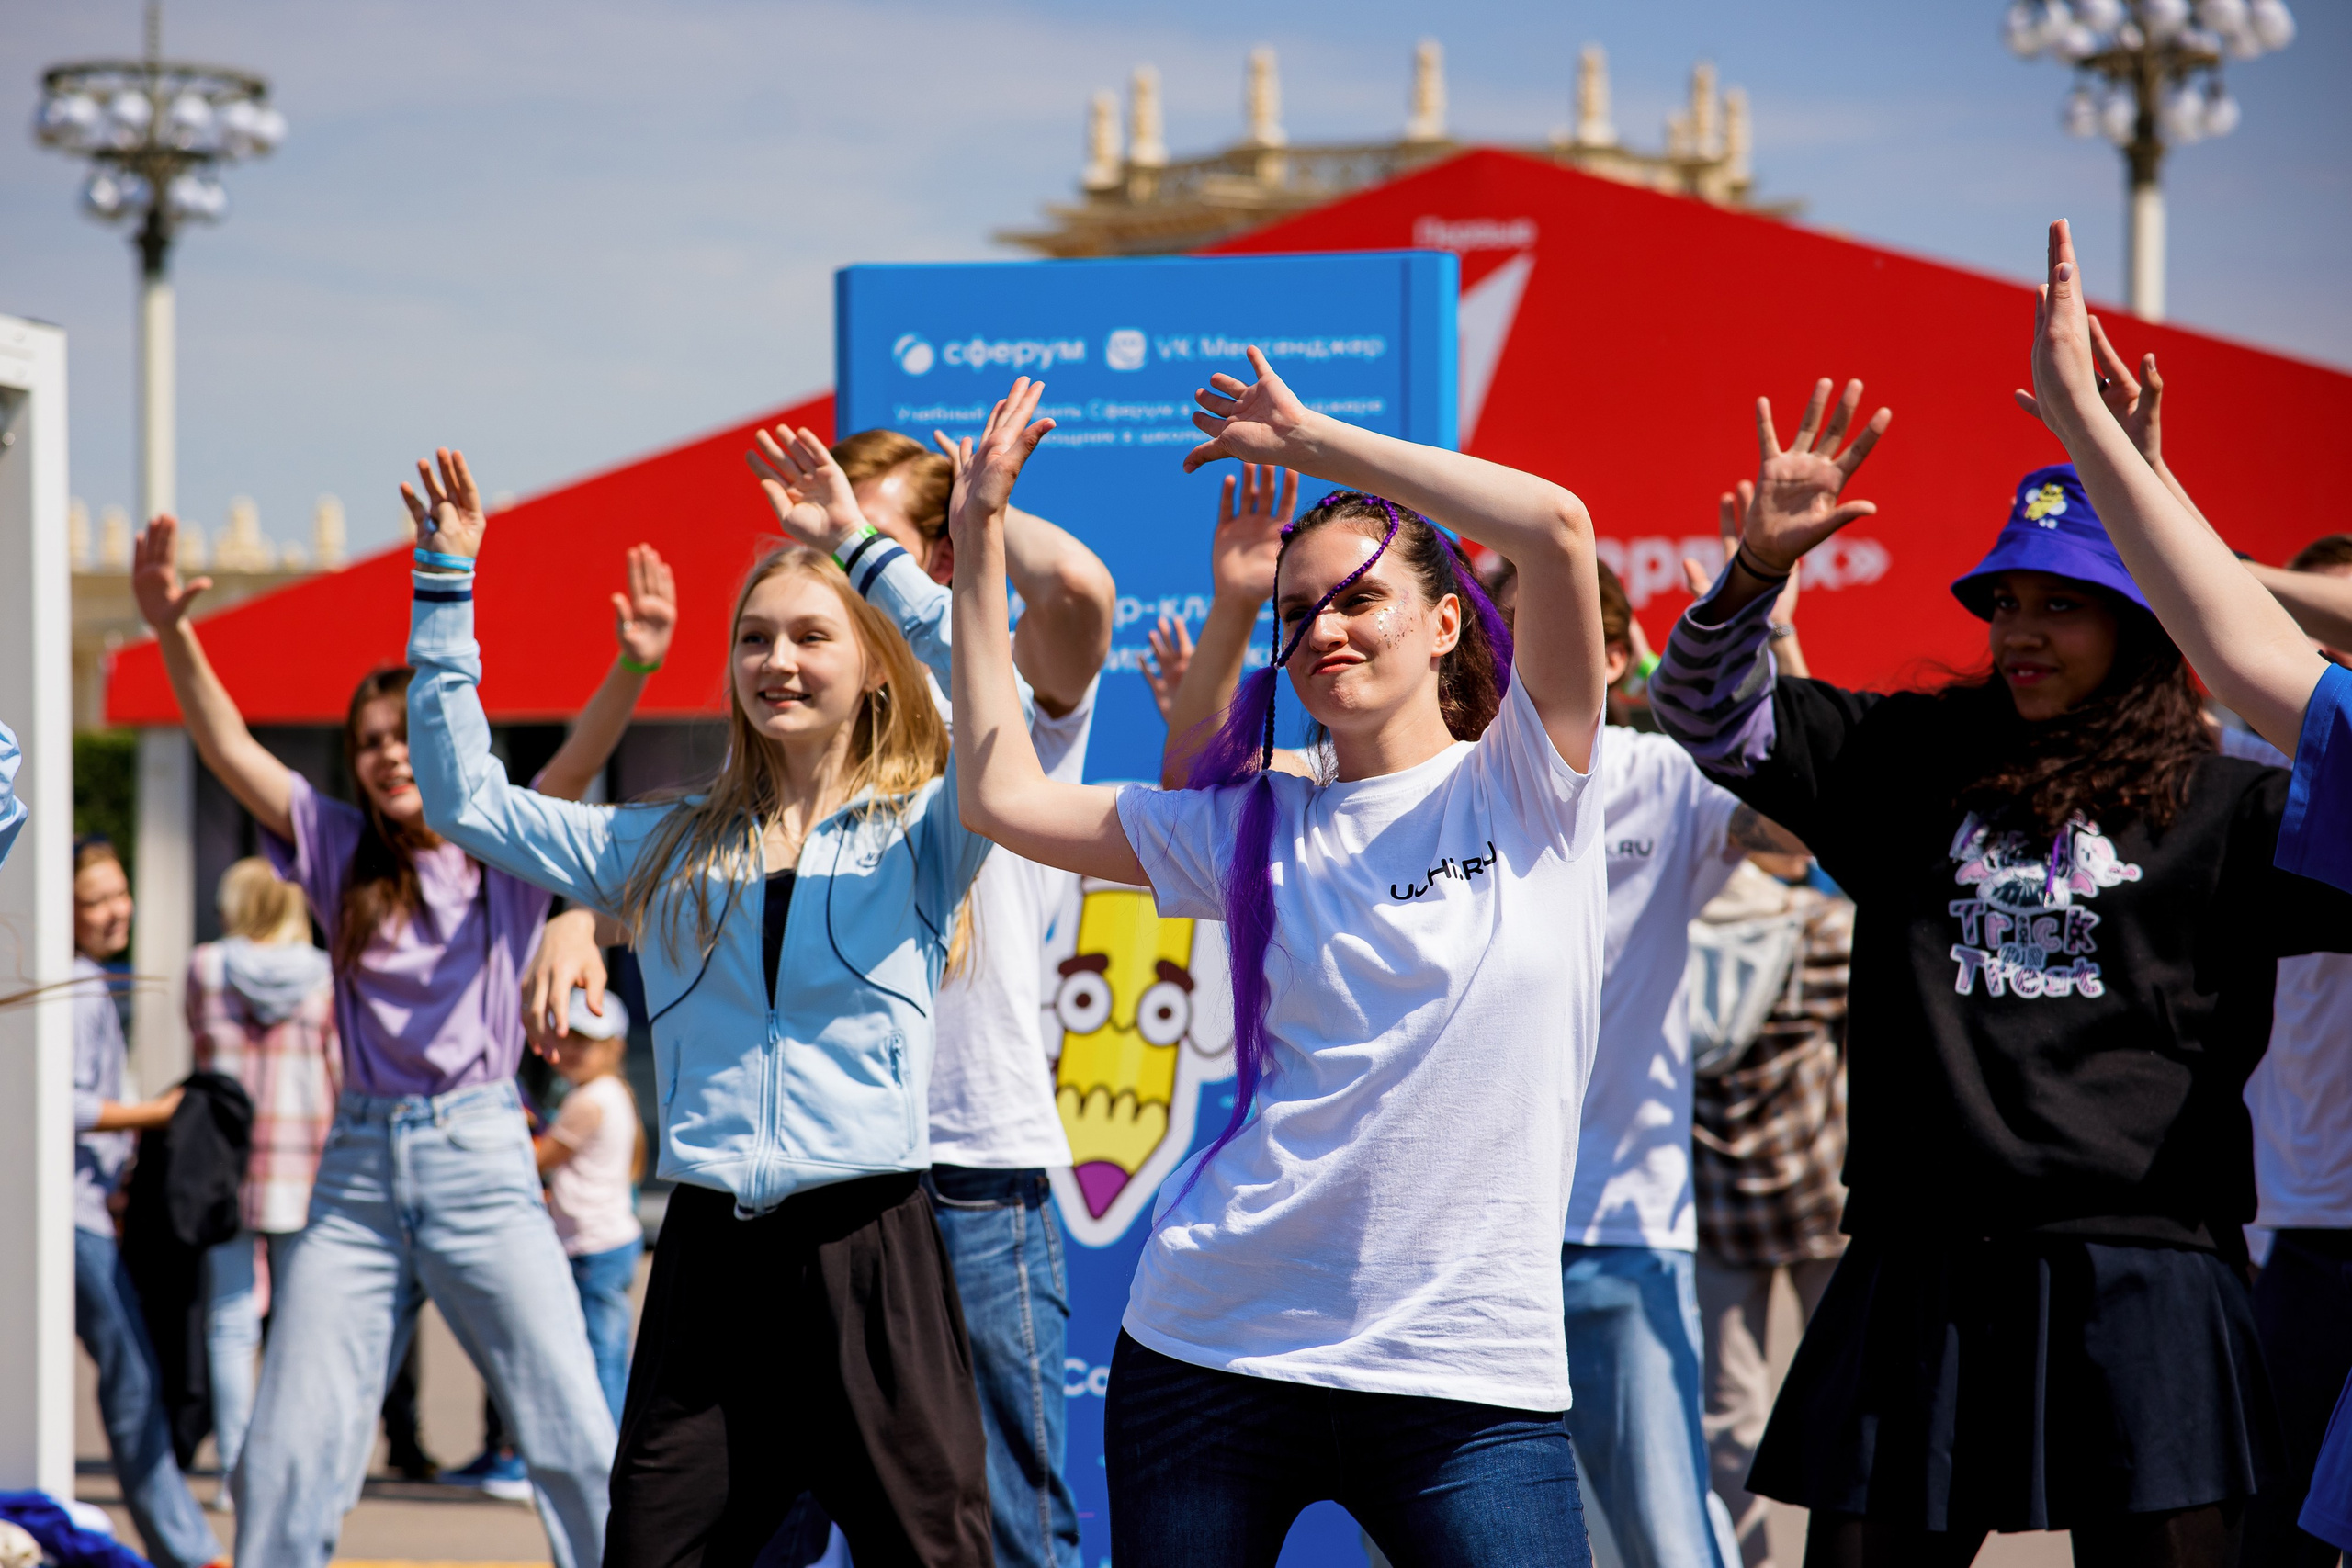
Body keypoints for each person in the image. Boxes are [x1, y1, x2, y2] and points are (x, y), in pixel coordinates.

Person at [1649, 360, 2352, 1566]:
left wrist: (2172, 514)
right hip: (1922, 1259)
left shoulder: (2234, 804)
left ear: (2142, 619)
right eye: (2005, 601)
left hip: (2152, 1267)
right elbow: (1706, 710)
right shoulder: (1910, 758)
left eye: (2061, 603)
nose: (2020, 630)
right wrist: (1756, 570)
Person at [945, 361, 1611, 1564]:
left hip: (1469, 1378)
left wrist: (1318, 445)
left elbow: (1555, 523)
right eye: (1301, 614)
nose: (1327, 632)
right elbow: (998, 792)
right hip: (1215, 1350)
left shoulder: (1529, 784)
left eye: (1359, 599)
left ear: (1448, 620)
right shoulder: (1254, 823)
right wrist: (976, 532)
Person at [1151, 467, 1781, 1568]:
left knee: (1674, 1540)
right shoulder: (1352, 785)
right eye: (1313, 614)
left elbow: (1789, 832)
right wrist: (1243, 605)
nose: (1521, 635)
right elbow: (1190, 793)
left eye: (1356, 602)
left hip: (1613, 1228)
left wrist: (1768, 619)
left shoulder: (1599, 776)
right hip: (1419, 1266)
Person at [399, 447, 993, 1566]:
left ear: (872, 668)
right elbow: (464, 798)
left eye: (812, 637)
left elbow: (989, 707)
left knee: (936, 1557)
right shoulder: (660, 843)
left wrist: (865, 556)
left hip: (872, 1253)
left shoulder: (925, 830)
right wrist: (444, 587)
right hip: (711, 1257)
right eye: (754, 639)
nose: (777, 661)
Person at [129, 513, 668, 1568]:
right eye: (370, 742)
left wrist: (635, 664)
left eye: (405, 736)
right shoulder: (334, 849)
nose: (387, 756)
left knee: (567, 1431)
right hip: (359, 1171)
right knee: (286, 1452)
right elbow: (227, 747)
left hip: (481, 1158)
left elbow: (580, 759)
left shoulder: (503, 844)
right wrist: (171, 635)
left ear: (444, 743)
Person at [741, 423, 1114, 1568]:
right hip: (818, 1166)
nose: (831, 558)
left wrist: (973, 518)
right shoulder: (791, 719)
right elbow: (666, 852)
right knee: (772, 1518)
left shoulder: (984, 707)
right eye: (816, 537)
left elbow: (1084, 593)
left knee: (1004, 1521)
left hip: (970, 1168)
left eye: (861, 540)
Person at [2010, 219, 2352, 902]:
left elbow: (2252, 655)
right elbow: (2256, 646)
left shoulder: (2244, 785)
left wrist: (2086, 427)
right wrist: (2140, 479)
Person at [1687, 857, 1854, 1568]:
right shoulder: (1822, 934)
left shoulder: (1669, 943)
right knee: (1853, 1403)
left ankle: (1751, 1560)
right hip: (1823, 1200)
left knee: (1731, 1420)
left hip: (1718, 1211)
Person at [70, 836, 226, 1568]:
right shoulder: (72, 986)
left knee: (134, 1370)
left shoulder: (86, 981)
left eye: (118, 891)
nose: (114, 909)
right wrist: (154, 1116)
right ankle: (187, 1551)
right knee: (133, 1371)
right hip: (70, 1213)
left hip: (87, 1207)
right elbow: (60, 1103)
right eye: (94, 898)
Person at [184, 857, 339, 1513]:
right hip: (308, 1161)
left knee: (229, 1322)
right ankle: (292, 1474)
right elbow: (339, 1071)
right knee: (302, 1327)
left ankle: (234, 1474)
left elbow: (197, 1051)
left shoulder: (206, 968)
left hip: (222, 1161)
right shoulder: (328, 977)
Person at [533, 987, 645, 1425]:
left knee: (599, 1358)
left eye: (586, 1041)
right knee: (608, 1353)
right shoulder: (614, 1093)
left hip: (590, 1247)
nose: (572, 1049)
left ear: (613, 1047)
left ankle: (607, 1456)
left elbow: (538, 1160)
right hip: (607, 1240)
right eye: (568, 1037)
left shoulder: (587, 1101)